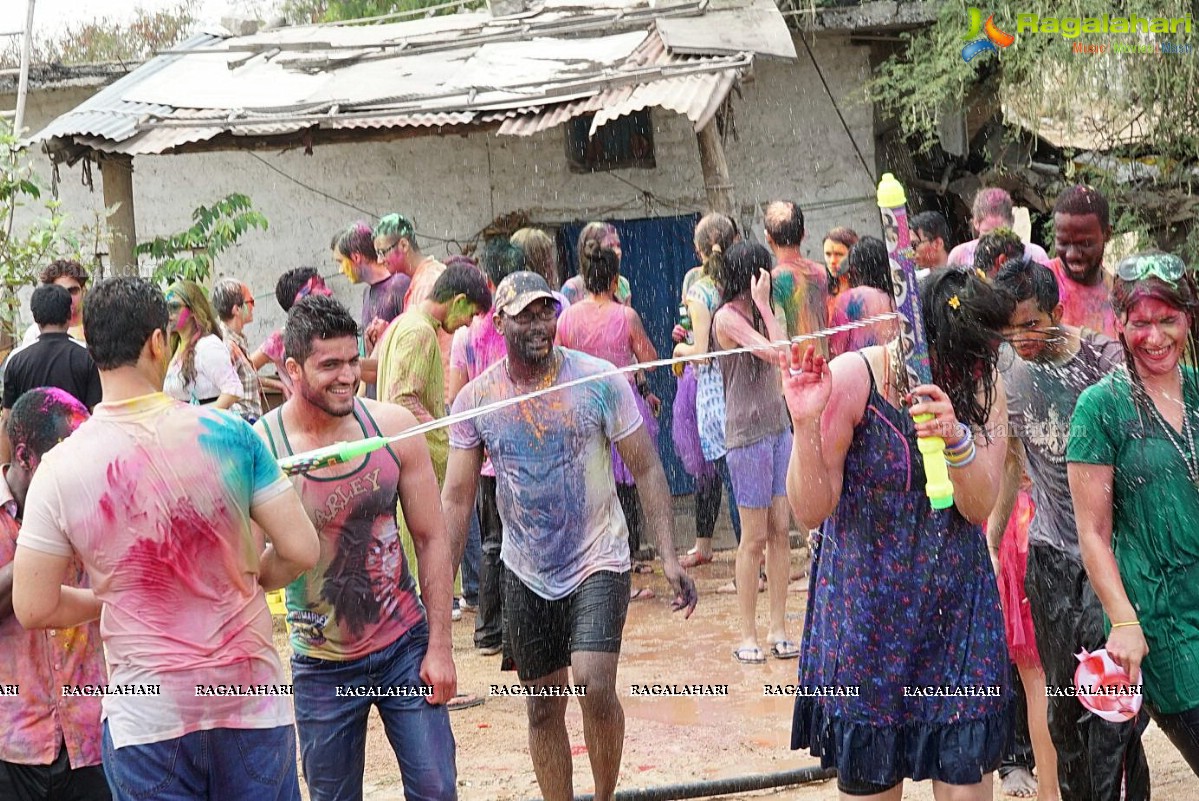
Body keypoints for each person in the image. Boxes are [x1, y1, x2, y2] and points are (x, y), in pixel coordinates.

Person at [12, 276, 319, 801]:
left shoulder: (59, 468)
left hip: (146, 716)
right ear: (158, 342)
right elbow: (301, 550)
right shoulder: (228, 435)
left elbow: (33, 606)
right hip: (246, 701)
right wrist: (253, 572)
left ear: (93, 349)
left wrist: (109, 597)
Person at [442, 271, 697, 801]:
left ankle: (604, 797)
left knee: (595, 682)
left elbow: (647, 468)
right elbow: (458, 497)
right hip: (525, 566)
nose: (539, 324)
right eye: (526, 314)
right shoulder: (476, 400)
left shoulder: (598, 380)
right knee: (542, 705)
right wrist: (441, 584)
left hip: (597, 557)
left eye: (546, 311)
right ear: (500, 321)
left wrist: (669, 555)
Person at [786, 269, 1011, 797]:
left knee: (964, 772)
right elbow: (812, 509)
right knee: (873, 780)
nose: (973, 370)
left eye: (980, 358)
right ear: (915, 337)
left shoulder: (984, 385)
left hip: (954, 606)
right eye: (960, 357)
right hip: (868, 611)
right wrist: (804, 425)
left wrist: (956, 437)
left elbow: (978, 504)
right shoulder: (851, 379)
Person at [255, 295, 458, 801]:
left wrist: (439, 647)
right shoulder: (263, 449)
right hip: (320, 660)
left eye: (353, 361)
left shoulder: (390, 430)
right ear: (293, 369)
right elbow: (249, 575)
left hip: (403, 646)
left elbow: (433, 539)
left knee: (436, 789)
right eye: (330, 366)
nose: (347, 376)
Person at [992, 259, 1148, 801]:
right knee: (1063, 705)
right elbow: (1014, 461)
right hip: (1050, 556)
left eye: (1031, 324)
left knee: (1116, 708)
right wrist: (992, 539)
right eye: (1009, 328)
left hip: (1107, 554)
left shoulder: (1103, 364)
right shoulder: (1008, 369)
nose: (1020, 338)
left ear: (1058, 312)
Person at [1068, 252, 1199, 776]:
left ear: (1188, 316)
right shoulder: (1100, 408)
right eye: (1140, 322)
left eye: (1168, 319)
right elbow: (1093, 532)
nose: (1155, 336)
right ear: (1118, 323)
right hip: (1160, 619)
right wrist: (1123, 621)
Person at [0, 389, 107, 801]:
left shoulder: (94, 505)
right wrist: (39, 547)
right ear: (25, 457)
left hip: (89, 735)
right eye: (63, 458)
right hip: (14, 742)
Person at [375, 263, 491, 638]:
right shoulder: (420, 333)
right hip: (418, 472)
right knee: (426, 582)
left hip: (407, 467)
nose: (469, 323)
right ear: (457, 301)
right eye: (471, 313)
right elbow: (402, 398)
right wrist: (450, 432)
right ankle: (429, 682)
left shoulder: (402, 325)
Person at [556, 227, 661, 602]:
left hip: (581, 410)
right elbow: (649, 359)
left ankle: (591, 569)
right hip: (621, 407)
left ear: (584, 281)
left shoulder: (567, 319)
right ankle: (626, 569)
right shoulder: (626, 316)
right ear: (615, 280)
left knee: (592, 490)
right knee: (629, 490)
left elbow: (558, 362)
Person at [712, 242, 795, 663]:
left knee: (781, 528)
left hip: (778, 427)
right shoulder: (727, 318)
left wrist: (767, 309)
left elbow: (786, 354)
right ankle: (748, 633)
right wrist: (763, 306)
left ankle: (779, 627)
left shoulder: (766, 313)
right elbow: (776, 354)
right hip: (745, 435)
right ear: (752, 275)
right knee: (754, 536)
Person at [447, 240, 525, 656]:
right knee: (513, 541)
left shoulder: (467, 336)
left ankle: (490, 630)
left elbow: (456, 398)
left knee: (495, 543)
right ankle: (507, 631)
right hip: (519, 453)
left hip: (486, 459)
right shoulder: (520, 326)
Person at [671, 212, 742, 571]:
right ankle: (760, 559)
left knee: (729, 481)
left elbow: (702, 355)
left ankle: (751, 563)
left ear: (699, 251)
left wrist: (680, 351)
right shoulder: (746, 280)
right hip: (748, 388)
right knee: (747, 482)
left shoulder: (701, 289)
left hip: (717, 396)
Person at [332, 222, 410, 397]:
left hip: (397, 399)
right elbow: (371, 365)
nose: (339, 270)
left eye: (340, 262)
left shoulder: (399, 285)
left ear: (356, 257)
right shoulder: (367, 293)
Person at [3, 284, 101, 411]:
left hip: (30, 431)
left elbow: (6, 420)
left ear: (35, 317)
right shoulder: (88, 358)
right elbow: (96, 412)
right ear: (69, 315)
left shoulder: (16, 361)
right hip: (77, 430)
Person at [251, 267, 333, 400]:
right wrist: (278, 384)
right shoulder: (281, 340)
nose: (328, 292)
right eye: (320, 286)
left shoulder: (334, 329)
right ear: (302, 299)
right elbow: (243, 373)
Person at [1047, 185, 1116, 337]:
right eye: (1064, 243)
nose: (1072, 255)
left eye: (1084, 244)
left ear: (1107, 234)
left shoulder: (1119, 297)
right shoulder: (1037, 286)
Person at [163, 279, 242, 410]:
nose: (168, 313)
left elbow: (233, 390)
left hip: (207, 427)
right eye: (165, 307)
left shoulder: (207, 346)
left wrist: (204, 420)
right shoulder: (175, 347)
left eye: (174, 307)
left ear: (193, 310)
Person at [763, 200, 828, 343]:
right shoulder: (823, 272)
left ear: (768, 237)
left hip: (796, 363)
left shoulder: (774, 281)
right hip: (828, 361)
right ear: (803, 233)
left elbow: (779, 335)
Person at [947, 188, 1050, 269]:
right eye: (987, 233)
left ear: (1012, 223)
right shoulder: (960, 256)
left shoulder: (1034, 255)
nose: (994, 241)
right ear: (976, 223)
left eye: (1001, 234)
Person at [826, 236, 896, 357]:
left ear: (854, 268)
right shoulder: (896, 297)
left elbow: (836, 347)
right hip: (891, 367)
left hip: (859, 369)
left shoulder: (849, 299)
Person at [211, 278, 264, 422]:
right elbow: (226, 392)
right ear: (236, 309)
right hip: (242, 425)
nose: (253, 306)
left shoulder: (237, 339)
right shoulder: (226, 346)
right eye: (250, 302)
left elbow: (244, 379)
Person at [19, 260, 89, 347]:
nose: (67, 297)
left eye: (73, 291)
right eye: (60, 291)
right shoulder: (34, 333)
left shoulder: (97, 328)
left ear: (84, 291)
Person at [562, 222, 632, 306]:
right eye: (610, 246)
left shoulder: (622, 284)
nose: (618, 252)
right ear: (591, 250)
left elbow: (627, 317)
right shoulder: (573, 288)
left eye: (618, 246)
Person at [911, 210, 951, 278]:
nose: (911, 252)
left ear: (938, 244)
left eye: (914, 245)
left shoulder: (962, 275)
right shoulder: (916, 280)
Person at [822, 227, 859, 300]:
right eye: (828, 254)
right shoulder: (821, 286)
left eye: (839, 254)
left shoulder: (867, 286)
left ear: (853, 254)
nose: (832, 261)